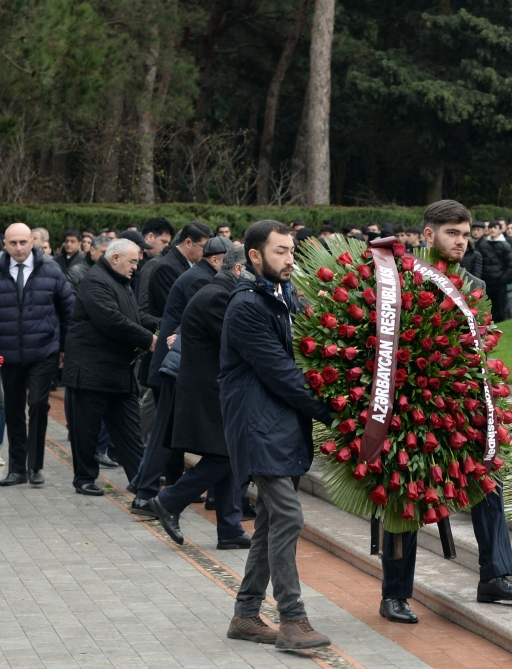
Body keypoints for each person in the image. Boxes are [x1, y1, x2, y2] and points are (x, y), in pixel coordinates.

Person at [380, 200, 512, 625]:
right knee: (404, 496)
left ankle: (495, 576)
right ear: (428, 234)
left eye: (465, 235)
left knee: (488, 481)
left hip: (462, 405)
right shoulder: (403, 278)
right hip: (413, 405)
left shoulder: (474, 284)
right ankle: (395, 594)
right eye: (452, 234)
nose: (461, 242)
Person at [220, 220, 333, 649]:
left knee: (269, 522)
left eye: (292, 251)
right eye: (280, 252)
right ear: (254, 256)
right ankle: (292, 620)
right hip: (258, 427)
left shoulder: (282, 296)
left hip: (280, 426)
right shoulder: (247, 305)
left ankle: (246, 615)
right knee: (287, 516)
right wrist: (335, 413)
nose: (290, 259)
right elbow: (282, 373)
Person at [149, 247, 250, 550]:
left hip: (211, 390)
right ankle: (170, 500)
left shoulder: (219, 292)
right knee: (225, 455)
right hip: (208, 392)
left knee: (227, 456)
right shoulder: (217, 297)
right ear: (239, 270)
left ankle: (229, 528)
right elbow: (237, 343)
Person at [63, 239, 158, 495]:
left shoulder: (121, 281)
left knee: (129, 430)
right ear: (116, 258)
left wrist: (164, 324)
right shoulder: (96, 281)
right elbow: (111, 320)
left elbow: (133, 316)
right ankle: (84, 478)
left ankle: (141, 481)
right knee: (87, 430)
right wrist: (149, 340)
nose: (136, 267)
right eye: (133, 261)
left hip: (117, 373)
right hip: (91, 371)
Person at [0, 223, 74, 487]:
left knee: (39, 404)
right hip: (8, 353)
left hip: (44, 351)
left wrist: (64, 347)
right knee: (13, 410)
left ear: (32, 241)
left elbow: (68, 311)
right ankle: (17, 468)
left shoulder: (51, 270)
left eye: (23, 242)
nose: (19, 248)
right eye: (13, 243)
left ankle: (35, 466)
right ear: (5, 244)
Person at [147, 222, 213, 323]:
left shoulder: (189, 263)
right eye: (203, 247)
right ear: (188, 243)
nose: (206, 252)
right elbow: (173, 309)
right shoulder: (167, 268)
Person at [475, 220, 512, 323]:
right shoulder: (483, 245)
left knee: (501, 309)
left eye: (495, 228)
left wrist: (502, 280)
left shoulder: (505, 245)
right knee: (487, 309)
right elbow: (479, 263)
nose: (492, 230)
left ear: (500, 230)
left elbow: (511, 266)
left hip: (499, 283)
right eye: (491, 227)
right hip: (487, 282)